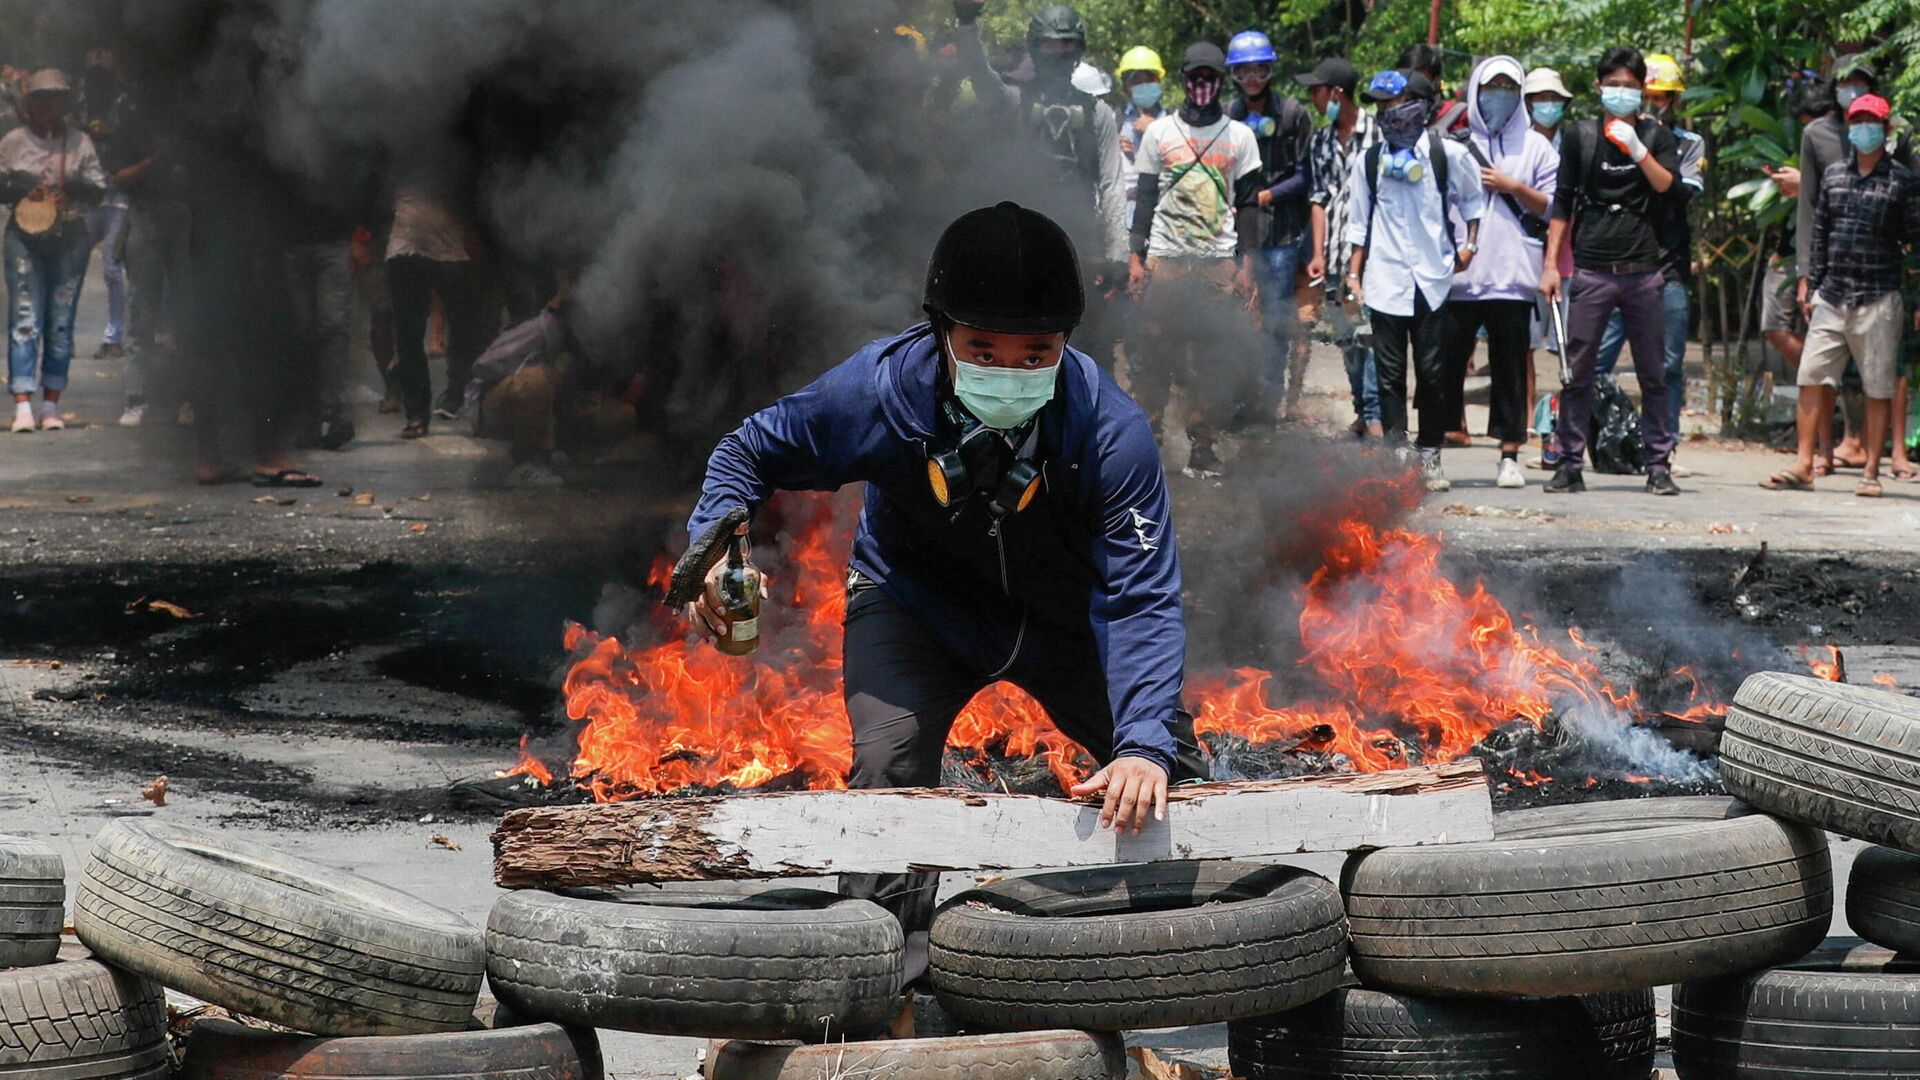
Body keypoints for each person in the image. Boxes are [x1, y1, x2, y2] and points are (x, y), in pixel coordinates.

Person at [682, 202, 1205, 986]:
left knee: (1168, 771)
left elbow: (1140, 597)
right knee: (887, 778)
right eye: (982, 348)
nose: (1012, 370)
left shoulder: (1111, 431)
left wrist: (1142, 745)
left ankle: (1195, 958)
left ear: (1068, 342)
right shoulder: (875, 392)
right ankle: (878, 983)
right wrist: (719, 541)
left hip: (1062, 623)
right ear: (940, 333)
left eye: (1038, 353)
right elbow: (746, 452)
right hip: (912, 607)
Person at [1540, 47, 1682, 495]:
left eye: (1630, 86)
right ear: (1599, 87)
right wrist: (1550, 267)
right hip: (1592, 270)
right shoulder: (1580, 137)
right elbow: (1562, 203)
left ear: (1642, 91)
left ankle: (1659, 465)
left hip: (1644, 271)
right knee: (1577, 371)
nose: (1621, 93)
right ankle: (1568, 462)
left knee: (1653, 373)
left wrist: (1637, 148)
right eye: (1613, 85)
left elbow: (1668, 187)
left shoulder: (1657, 137)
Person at [1763, 93, 1920, 497]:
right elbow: (1819, 234)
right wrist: (1810, 283)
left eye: (1871, 122)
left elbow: (1917, 241)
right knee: (1812, 376)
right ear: (1849, 127)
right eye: (1857, 121)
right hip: (1832, 294)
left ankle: (1871, 471)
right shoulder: (1833, 175)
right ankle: (1804, 463)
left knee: (1878, 385)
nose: (1863, 129)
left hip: (1880, 295)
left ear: (1885, 131)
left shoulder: (1903, 181)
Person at [1126, 41, 1266, 476]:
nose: (1202, 85)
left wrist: (1247, 267)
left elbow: (1248, 206)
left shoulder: (1240, 136)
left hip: (1217, 264)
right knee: (1154, 354)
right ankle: (1148, 442)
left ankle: (1202, 447)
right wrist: (1136, 259)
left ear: (1219, 83)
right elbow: (1145, 200)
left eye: (1210, 78)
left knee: (1213, 359)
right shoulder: (1159, 134)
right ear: (1184, 82)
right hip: (1166, 262)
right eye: (1195, 78)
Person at [1343, 68, 1484, 488]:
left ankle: (1429, 454)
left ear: (1418, 106)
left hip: (1433, 278)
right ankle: (1397, 455)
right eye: (1381, 106)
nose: (1388, 113)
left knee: (1433, 373)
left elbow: (1474, 200)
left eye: (1395, 103)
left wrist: (1469, 247)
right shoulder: (1368, 161)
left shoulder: (1447, 156)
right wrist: (1353, 274)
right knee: (1389, 375)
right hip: (1385, 280)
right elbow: (1358, 223)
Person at [1442, 56, 1557, 490]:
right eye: (1493, 87)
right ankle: (1434, 447)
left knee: (1510, 369)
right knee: (1446, 366)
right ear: (1476, 90)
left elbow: (1555, 207)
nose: (1500, 95)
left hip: (1513, 274)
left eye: (1510, 86)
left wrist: (1514, 189)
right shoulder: (1453, 145)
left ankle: (1509, 453)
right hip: (1459, 277)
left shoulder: (1536, 147)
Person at [953, 3, 1129, 281]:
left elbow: (1112, 185)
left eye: (1066, 44)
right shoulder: (1013, 101)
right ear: (1035, 49)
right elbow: (978, 73)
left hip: (1078, 243)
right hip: (1019, 239)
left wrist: (1117, 255)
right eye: (1049, 45)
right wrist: (966, 24)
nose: (1058, 54)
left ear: (1078, 50)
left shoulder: (1098, 113)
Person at [1589, 53, 1702, 472]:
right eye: (1647, 94)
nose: (1654, 103)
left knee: (1665, 367)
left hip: (1665, 268)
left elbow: (1676, 192)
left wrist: (1643, 151)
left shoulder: (1687, 144)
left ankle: (1663, 448)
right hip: (1611, 264)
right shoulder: (1601, 137)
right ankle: (1588, 443)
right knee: (1591, 363)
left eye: (1662, 97)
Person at [0, 70, 106, 433]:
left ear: (63, 105)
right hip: (23, 236)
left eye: (53, 100)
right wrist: (20, 190)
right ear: (30, 104)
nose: (46, 107)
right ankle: (23, 404)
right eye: (39, 100)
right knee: (24, 318)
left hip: (69, 237)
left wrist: (71, 190)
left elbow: (98, 189)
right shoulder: (13, 141)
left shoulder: (79, 143)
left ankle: (51, 404)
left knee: (60, 323)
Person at [1226, 30, 1315, 421]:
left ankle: (1269, 402)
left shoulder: (1294, 114)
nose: (1252, 77)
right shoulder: (1228, 115)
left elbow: (1305, 175)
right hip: (1239, 236)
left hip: (1281, 234)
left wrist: (1269, 194)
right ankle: (1239, 401)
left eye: (1260, 69)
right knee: (1238, 317)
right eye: (1244, 70)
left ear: (1271, 70)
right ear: (1233, 74)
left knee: (1275, 323)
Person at [385, 149, 499, 438]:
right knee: (410, 334)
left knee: (466, 327)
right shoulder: (397, 136)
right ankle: (417, 413)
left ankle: (460, 393)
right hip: (406, 242)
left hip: (450, 243)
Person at [1300, 56, 1381, 438]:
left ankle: (1378, 414)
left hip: (1375, 256)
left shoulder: (1378, 134)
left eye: (1316, 90)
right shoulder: (1321, 140)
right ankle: (1364, 411)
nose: (1312, 98)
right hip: (1334, 256)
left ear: (1336, 93)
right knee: (1348, 337)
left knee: (1374, 336)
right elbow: (1318, 199)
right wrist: (1317, 253)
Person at [1523, 66, 1574, 466]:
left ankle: (1563, 422)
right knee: (1523, 344)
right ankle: (1527, 419)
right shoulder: (1515, 145)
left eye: (1554, 99)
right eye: (1541, 99)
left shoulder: (1573, 144)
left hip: (1569, 259)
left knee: (1567, 345)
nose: (1548, 106)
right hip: (1524, 254)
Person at [76, 47, 130, 362]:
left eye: (102, 78)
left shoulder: (123, 110)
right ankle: (61, 337)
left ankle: (114, 337)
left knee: (112, 268)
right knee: (71, 265)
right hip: (91, 198)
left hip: (119, 200)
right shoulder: (82, 110)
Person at [1115, 45, 1166, 220]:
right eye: (1136, 81)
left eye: (1149, 79)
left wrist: (1154, 131)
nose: (1144, 86)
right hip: (1126, 215)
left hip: (1163, 215)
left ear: (1159, 81)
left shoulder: (1174, 121)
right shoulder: (1116, 120)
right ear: (1125, 88)